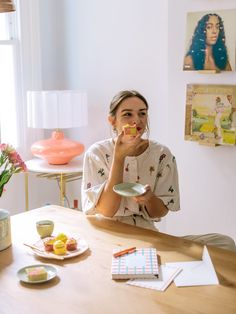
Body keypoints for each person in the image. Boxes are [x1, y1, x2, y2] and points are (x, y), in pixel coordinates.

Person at [81, 90, 236, 251]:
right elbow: (107, 210)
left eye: (142, 114)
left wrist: (149, 198)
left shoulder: (162, 154)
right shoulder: (96, 153)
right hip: (108, 233)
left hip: (146, 235)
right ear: (112, 121)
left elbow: (159, 213)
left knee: (224, 243)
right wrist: (119, 158)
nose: (136, 121)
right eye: (127, 114)